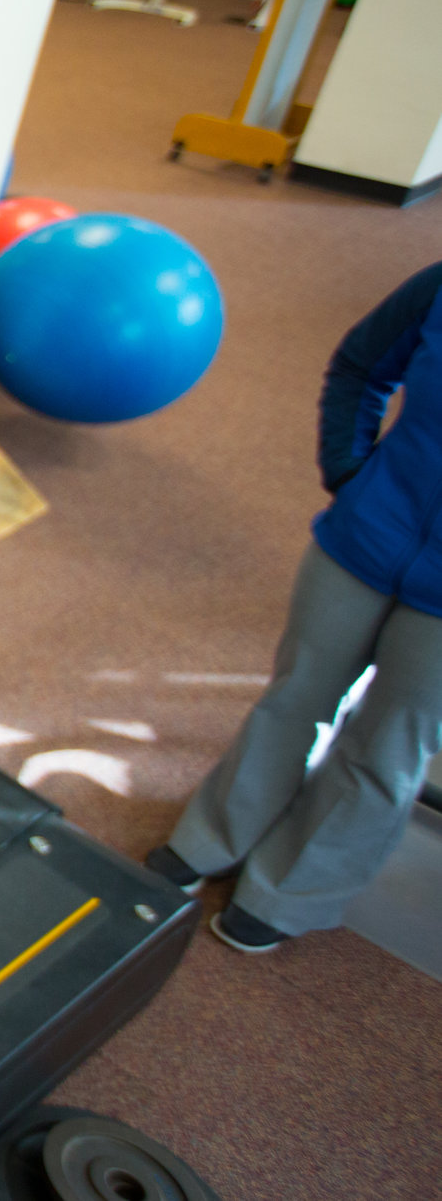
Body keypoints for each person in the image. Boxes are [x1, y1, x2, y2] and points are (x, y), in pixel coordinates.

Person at [148, 262, 442, 954]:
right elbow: (360, 364)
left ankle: (293, 885)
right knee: (295, 693)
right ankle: (215, 834)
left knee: (388, 747)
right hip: (366, 535)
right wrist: (350, 472)